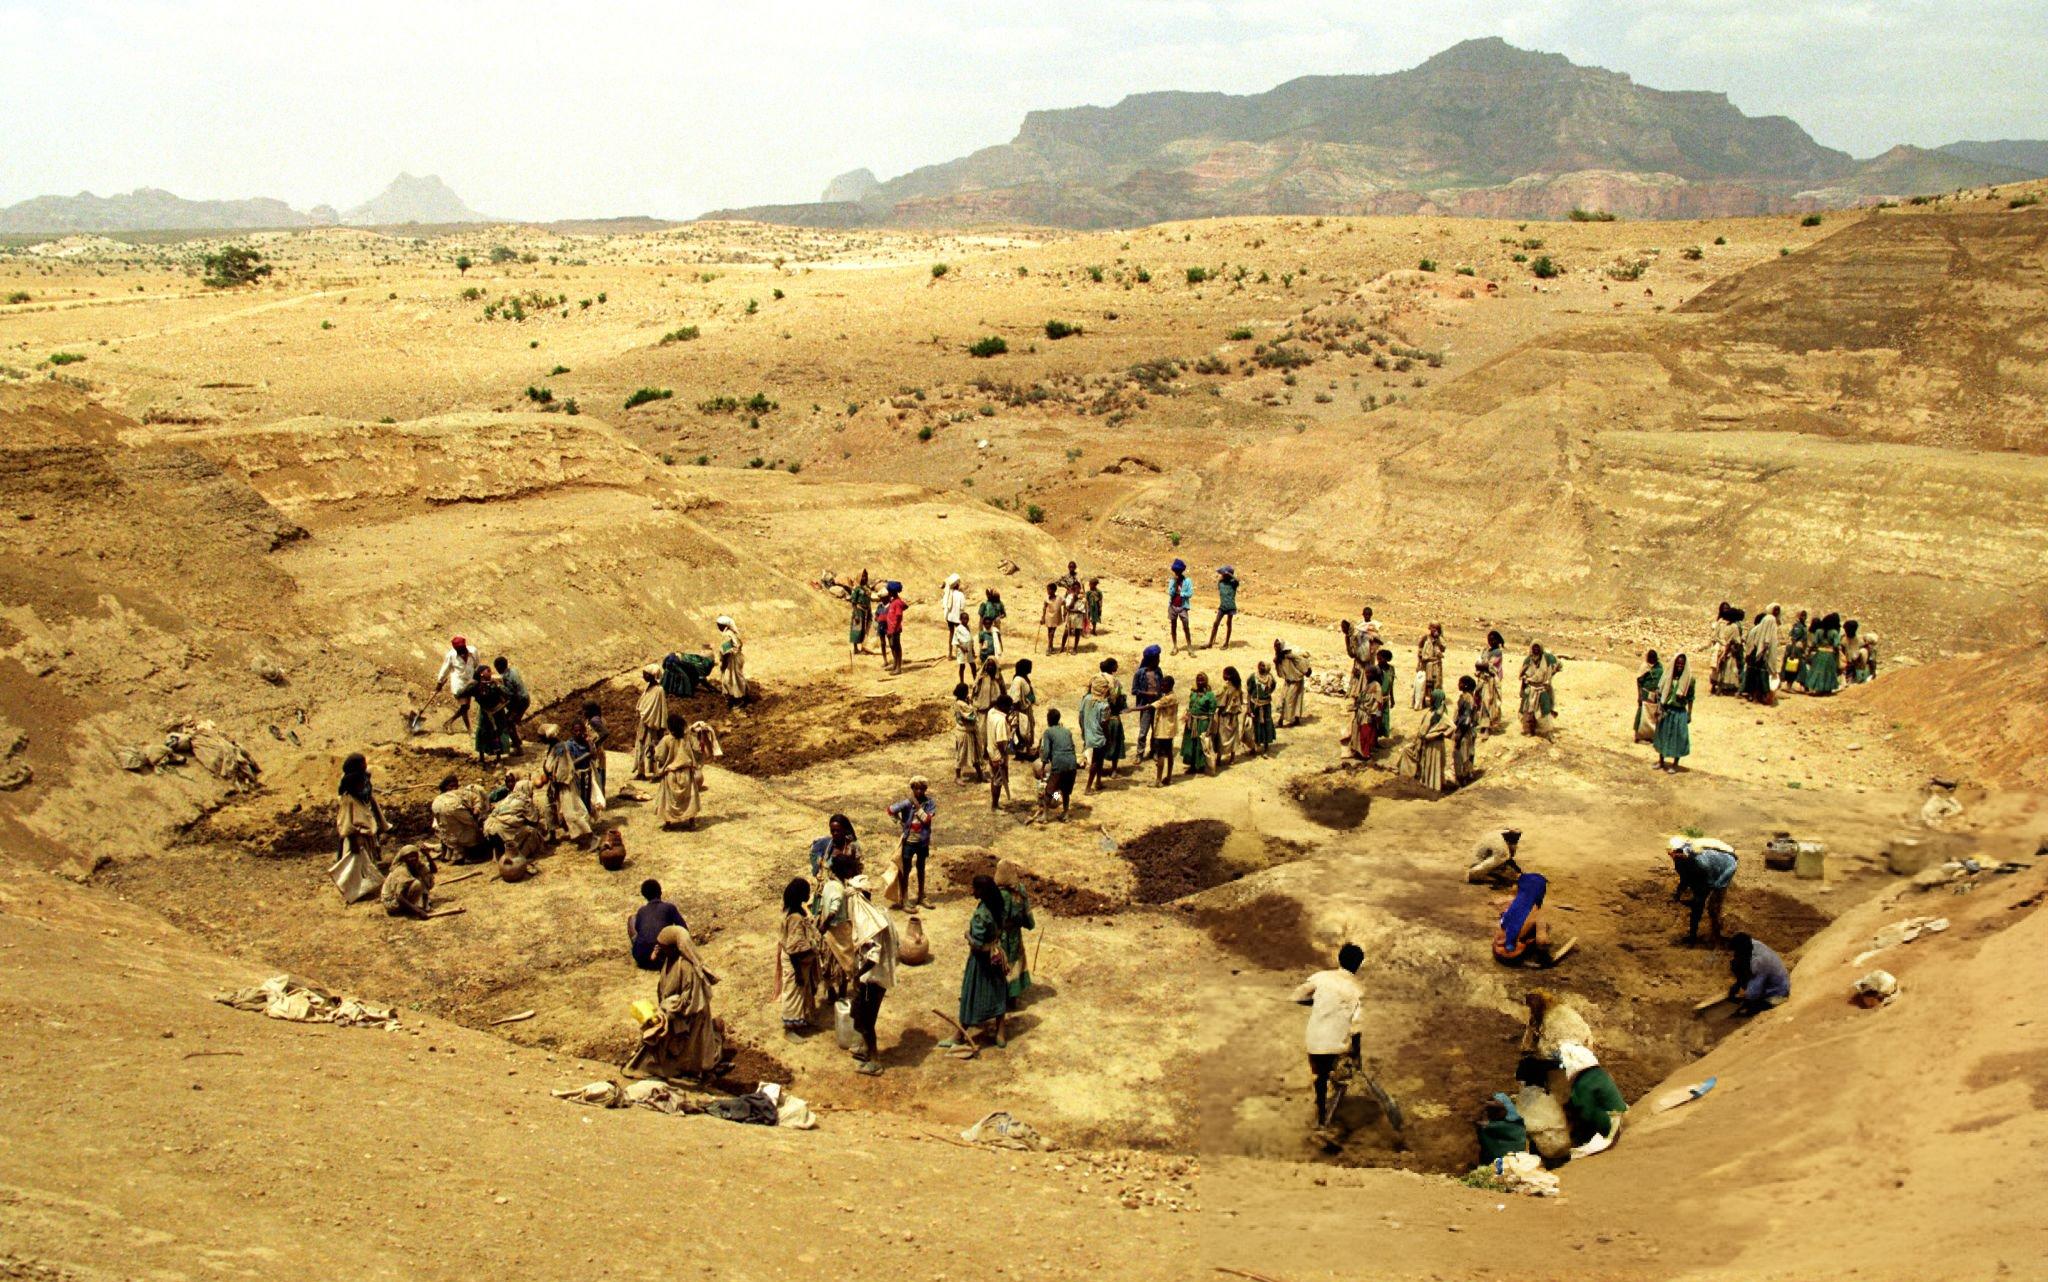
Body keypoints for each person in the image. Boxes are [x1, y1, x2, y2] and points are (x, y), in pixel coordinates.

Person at [624, 923, 726, 1081]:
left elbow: (690, 1002)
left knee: (695, 1055)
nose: (659, 949)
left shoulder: (686, 967)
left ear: (674, 947)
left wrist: (669, 1007)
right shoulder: (669, 961)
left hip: (689, 1019)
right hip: (672, 1015)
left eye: (663, 947)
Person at [1290, 942, 1365, 1124]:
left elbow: (1297, 996)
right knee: (1343, 1077)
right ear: (1358, 965)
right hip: (1336, 1046)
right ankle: (1329, 1116)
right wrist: (1356, 1054)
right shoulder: (1357, 989)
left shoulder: (1321, 977)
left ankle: (1321, 1110)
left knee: (1320, 1076)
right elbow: (1356, 1026)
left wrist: (1318, 1003)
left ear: (1339, 959)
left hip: (1314, 1042)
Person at [943, 875, 1010, 1049]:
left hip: (981, 961)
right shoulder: (999, 905)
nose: (973, 891)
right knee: (998, 991)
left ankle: (960, 1034)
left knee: (970, 994)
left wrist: (968, 936)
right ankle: (1000, 1032)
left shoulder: (982, 914)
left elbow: (978, 945)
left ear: (983, 892)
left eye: (975, 889)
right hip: (996, 956)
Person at [844, 872, 899, 1074]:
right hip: (877, 977)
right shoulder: (881, 913)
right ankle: (866, 1049)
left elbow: (872, 957)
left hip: (872, 979)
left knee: (866, 1020)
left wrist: (857, 976)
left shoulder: (869, 923)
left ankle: (874, 1061)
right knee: (861, 1015)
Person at [330, 753, 387, 904]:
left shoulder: (362, 791)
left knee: (367, 863)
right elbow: (346, 823)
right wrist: (354, 841)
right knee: (356, 867)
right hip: (356, 838)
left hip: (366, 835)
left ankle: (366, 887)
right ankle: (354, 890)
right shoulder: (349, 800)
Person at [1559, 1042, 1627, 1158]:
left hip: (1611, 1124)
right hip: (1621, 1115)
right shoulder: (1599, 1073)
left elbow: (1586, 1113)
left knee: (1582, 1113)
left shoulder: (1583, 1083)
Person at [653, 716, 720, 829]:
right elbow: (699, 750)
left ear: (670, 727)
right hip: (686, 773)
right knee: (689, 799)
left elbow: (659, 756)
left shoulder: (666, 740)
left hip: (671, 774)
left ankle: (668, 823)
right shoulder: (688, 738)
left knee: (670, 799)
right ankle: (691, 822)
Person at [1494, 872, 1571, 968]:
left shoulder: (1506, 924)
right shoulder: (1523, 927)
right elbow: (1538, 917)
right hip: (1533, 884)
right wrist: (1541, 934)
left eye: (1500, 945)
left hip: (1529, 885)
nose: (1502, 943)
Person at [1669, 838, 1737, 946]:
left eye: (1678, 853)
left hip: (1726, 867)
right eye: (1673, 854)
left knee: (1712, 907)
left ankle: (1716, 936)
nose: (1674, 856)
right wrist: (1678, 894)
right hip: (1707, 872)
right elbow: (1685, 879)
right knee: (1697, 907)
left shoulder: (1700, 863)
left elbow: (1709, 883)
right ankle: (1693, 937)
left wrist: (1697, 899)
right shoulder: (1680, 863)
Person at [537, 723, 594, 845]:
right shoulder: (553, 747)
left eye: (541, 737)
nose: (540, 740)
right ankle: (552, 834)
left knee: (572, 812)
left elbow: (563, 769)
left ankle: (591, 837)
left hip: (563, 785)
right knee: (548, 808)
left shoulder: (560, 748)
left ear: (548, 737)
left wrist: (555, 783)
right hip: (555, 784)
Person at [777, 877, 821, 1036]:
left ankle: (802, 1021)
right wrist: (798, 974)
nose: (809, 894)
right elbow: (794, 948)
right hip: (796, 962)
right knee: (793, 993)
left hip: (801, 961)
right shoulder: (795, 918)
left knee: (803, 992)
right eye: (806, 892)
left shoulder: (795, 910)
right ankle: (790, 1029)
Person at [484, 775, 546, 879]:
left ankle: (498, 855)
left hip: (490, 828)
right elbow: (534, 820)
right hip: (501, 830)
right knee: (534, 832)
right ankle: (519, 857)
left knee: (508, 828)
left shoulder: (508, 797)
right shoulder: (525, 799)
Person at [886, 778, 936, 905]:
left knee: (921, 867)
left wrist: (916, 804)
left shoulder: (930, 803)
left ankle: (921, 896)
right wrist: (901, 823)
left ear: (925, 789)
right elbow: (890, 810)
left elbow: (926, 820)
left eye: (921, 788)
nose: (919, 791)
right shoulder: (906, 803)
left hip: (923, 840)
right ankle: (905, 898)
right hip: (909, 840)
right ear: (912, 789)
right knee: (906, 869)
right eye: (916, 788)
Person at [995, 858, 1037, 1005]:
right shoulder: (1020, 890)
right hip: (1014, 935)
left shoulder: (998, 893)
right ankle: (1012, 995)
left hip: (1000, 936)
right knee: (1014, 962)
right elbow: (1027, 912)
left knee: (1000, 963)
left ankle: (1000, 995)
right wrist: (1029, 924)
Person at [429, 773, 492, 864]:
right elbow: (474, 813)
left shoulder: (438, 798)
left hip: (440, 814)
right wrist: (476, 818)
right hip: (452, 808)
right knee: (473, 831)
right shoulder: (466, 793)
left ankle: (450, 855)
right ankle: (471, 856)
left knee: (450, 833)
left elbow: (437, 824)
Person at [628, 878, 687, 970]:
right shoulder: (669, 907)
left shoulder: (641, 911)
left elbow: (638, 930)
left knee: (632, 919)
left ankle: (644, 949)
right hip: (664, 957)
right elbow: (684, 929)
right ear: (660, 892)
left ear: (644, 896)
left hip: (641, 958)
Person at [1728, 933, 1791, 1013]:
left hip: (1778, 991)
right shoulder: (1751, 944)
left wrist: (1744, 998)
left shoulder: (1760, 961)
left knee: (1749, 1009)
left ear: (1743, 950)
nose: (1735, 954)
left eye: (1737, 951)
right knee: (1737, 964)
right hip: (1766, 979)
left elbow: (1753, 992)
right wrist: (1738, 984)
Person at [1654, 654, 1695, 771]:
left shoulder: (1689, 680)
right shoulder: (1668, 676)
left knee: (1677, 737)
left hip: (1679, 711)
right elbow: (1661, 692)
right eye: (1678, 663)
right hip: (1666, 709)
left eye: (1682, 664)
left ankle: (1675, 764)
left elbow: (1691, 698)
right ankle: (1661, 761)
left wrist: (1690, 713)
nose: (1680, 666)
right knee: (1663, 735)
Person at [1037, 708, 1079, 821]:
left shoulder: (1048, 732)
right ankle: (1065, 813)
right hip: (1071, 764)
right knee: (1064, 791)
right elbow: (1073, 747)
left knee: (1049, 790)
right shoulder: (1067, 731)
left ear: (1048, 720)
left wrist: (1042, 766)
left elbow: (1045, 752)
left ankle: (1045, 815)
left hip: (1059, 764)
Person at [1407, 687, 1452, 792]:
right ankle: (1427, 785)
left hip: (1434, 745)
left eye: (1431, 697)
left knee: (1433, 765)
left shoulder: (1440, 714)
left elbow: (1452, 727)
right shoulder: (1431, 711)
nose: (1429, 699)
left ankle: (1433, 788)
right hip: (1427, 743)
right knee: (1427, 764)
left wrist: (1440, 734)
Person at [470, 667, 515, 763]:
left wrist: (497, 685)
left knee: (497, 733)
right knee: (482, 733)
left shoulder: (496, 683)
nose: (491, 673)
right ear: (481, 674)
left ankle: (498, 758)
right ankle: (481, 757)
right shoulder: (477, 685)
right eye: (488, 671)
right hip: (485, 713)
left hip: (497, 712)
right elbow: (466, 692)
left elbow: (508, 694)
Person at [434, 636, 479, 730]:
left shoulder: (473, 651)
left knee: (466, 706)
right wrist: (439, 682)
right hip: (459, 684)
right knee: (465, 707)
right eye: (458, 650)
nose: (461, 653)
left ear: (465, 646)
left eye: (462, 650)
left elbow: (476, 665)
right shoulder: (451, 655)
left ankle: (452, 724)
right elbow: (444, 669)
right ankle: (464, 727)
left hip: (470, 682)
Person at [379, 844, 435, 918]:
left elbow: (433, 870)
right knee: (417, 883)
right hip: (391, 903)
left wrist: (427, 855)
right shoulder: (401, 870)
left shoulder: (416, 864)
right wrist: (418, 911)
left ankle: (418, 904)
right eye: (410, 857)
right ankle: (410, 909)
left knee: (425, 877)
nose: (413, 858)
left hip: (399, 898)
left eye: (415, 855)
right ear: (404, 858)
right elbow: (399, 897)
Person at [1518, 642, 1560, 736]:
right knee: (1528, 710)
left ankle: (1548, 732)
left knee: (1545, 709)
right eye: (1534, 647)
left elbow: (1558, 665)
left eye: (1538, 647)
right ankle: (1529, 730)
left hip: (1542, 688)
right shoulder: (1528, 660)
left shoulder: (1547, 658)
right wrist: (1523, 689)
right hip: (1530, 688)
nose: (1536, 649)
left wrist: (1551, 673)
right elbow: (1522, 675)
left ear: (1541, 648)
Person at [633, 665, 667, 780]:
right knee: (641, 747)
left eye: (646, 674)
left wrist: (660, 725)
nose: (643, 676)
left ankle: (656, 773)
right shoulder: (648, 688)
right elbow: (643, 704)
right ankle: (641, 772)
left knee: (653, 748)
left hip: (653, 724)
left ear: (652, 675)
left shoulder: (659, 690)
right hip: (644, 723)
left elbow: (660, 709)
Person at [1181, 671, 1218, 776]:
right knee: (1191, 743)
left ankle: (1201, 766)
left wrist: (1210, 727)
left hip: (1203, 723)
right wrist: (1187, 718)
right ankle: (1192, 766)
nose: (1199, 682)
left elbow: (1211, 714)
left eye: (1202, 680)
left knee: (1201, 744)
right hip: (1192, 722)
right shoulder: (1193, 693)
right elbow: (1190, 707)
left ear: (1206, 681)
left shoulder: (1210, 696)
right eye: (1198, 680)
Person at [1080, 675, 1112, 793]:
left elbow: (1081, 715)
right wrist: (1108, 738)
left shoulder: (1086, 698)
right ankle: (1089, 787)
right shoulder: (1104, 705)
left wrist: (1084, 730)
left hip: (1089, 733)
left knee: (1098, 759)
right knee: (1096, 761)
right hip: (1099, 736)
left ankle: (1098, 781)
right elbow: (1104, 724)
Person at [1347, 659, 1383, 760]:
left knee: (1365, 735)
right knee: (1358, 733)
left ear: (1374, 674)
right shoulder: (1368, 685)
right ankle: (1359, 751)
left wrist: (1378, 716)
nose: (1367, 675)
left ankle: (1365, 754)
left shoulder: (1377, 686)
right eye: (1366, 673)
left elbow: (1379, 703)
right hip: (1361, 713)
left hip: (1368, 714)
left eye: (1369, 673)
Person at [1476, 1096, 1529, 1164]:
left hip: (1513, 1152)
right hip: (1510, 1153)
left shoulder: (1514, 1124)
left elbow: (1511, 1127)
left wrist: (1488, 1125)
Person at [985, 692, 1015, 811]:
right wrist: (1003, 755)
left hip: (991, 751)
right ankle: (995, 805)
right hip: (998, 754)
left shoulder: (991, 712)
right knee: (998, 781)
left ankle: (995, 803)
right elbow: (1001, 741)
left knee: (995, 779)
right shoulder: (1001, 720)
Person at [577, 698, 608, 813]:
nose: (583, 712)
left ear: (590, 710)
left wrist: (595, 744)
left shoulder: (594, 720)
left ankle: (599, 802)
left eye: (584, 710)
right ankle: (600, 799)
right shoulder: (596, 718)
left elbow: (605, 733)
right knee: (598, 775)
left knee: (597, 775)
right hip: (598, 752)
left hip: (597, 753)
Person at [493, 656, 531, 747]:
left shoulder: (506, 678)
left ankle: (517, 746)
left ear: (498, 667)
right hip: (525, 699)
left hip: (519, 702)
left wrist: (499, 686)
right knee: (511, 721)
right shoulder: (513, 671)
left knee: (508, 723)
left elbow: (510, 693)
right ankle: (517, 740)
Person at [1098, 657, 1127, 776]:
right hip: (1113, 717)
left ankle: (1099, 770)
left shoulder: (1097, 679)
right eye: (1116, 665)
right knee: (1116, 742)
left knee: (1100, 745)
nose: (1118, 667)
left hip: (1099, 716)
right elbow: (1120, 702)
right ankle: (1114, 770)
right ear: (1111, 667)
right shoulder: (1115, 682)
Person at [951, 682, 985, 784]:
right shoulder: (961, 704)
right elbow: (972, 715)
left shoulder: (962, 701)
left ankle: (980, 775)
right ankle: (957, 777)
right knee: (961, 754)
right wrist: (972, 704)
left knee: (975, 754)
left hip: (969, 731)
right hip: (964, 732)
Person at [1742, 610, 1778, 706]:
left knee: (1753, 675)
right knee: (1759, 676)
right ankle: (1758, 696)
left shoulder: (1757, 630)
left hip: (1753, 655)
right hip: (1757, 656)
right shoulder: (1760, 631)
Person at [1801, 612, 1843, 694]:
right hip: (1830, 655)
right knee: (1828, 672)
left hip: (1819, 654)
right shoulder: (1834, 632)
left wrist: (1809, 652)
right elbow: (1836, 645)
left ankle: (1816, 688)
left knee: (1817, 671)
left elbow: (1814, 643)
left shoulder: (1818, 631)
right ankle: (1827, 689)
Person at [1149, 675, 1179, 786]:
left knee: (1161, 754)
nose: (1162, 687)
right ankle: (1169, 777)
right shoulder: (1173, 696)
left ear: (1170, 686)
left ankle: (1158, 780)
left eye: (1164, 685)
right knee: (1169, 753)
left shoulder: (1167, 698)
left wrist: (1133, 709)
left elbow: (1152, 706)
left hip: (1163, 730)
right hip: (1170, 729)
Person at [1214, 666, 1246, 767]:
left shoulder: (1226, 688)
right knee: (1233, 736)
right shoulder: (1238, 687)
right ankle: (1232, 757)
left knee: (1221, 737)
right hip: (1234, 715)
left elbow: (1221, 702)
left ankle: (1218, 758)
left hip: (1225, 715)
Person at [1131, 645, 1164, 746]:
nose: (1159, 660)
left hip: (1157, 705)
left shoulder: (1158, 671)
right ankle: (1140, 753)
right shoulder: (1140, 673)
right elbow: (1134, 691)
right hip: (1145, 706)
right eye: (1157, 658)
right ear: (1151, 660)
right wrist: (1148, 693)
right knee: (1143, 732)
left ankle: (1154, 751)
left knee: (1157, 731)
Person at [1710, 604, 1745, 696]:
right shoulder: (1734, 627)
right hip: (1728, 650)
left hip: (1722, 649)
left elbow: (1717, 637)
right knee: (1727, 670)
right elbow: (1736, 641)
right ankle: (1724, 689)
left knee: (1720, 669)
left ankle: (1717, 688)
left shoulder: (1726, 625)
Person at [1274, 640, 1310, 728]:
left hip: (1296, 680)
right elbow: (1280, 672)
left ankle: (1289, 720)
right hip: (1288, 681)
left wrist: (1305, 671)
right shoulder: (1280, 657)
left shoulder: (1290, 656)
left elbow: (1301, 663)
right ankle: (1282, 720)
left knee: (1290, 700)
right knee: (1284, 699)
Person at [1452, 675, 1480, 785]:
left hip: (1465, 731)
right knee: (1469, 753)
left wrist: (1459, 734)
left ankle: (1463, 778)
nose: (1458, 684)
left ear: (1465, 685)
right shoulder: (1469, 697)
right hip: (1470, 731)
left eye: (1460, 682)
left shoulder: (1466, 699)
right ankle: (1468, 774)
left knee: (1462, 754)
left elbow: (1466, 718)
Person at [1007, 658, 1038, 758]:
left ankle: (1026, 750)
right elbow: (1015, 698)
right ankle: (1020, 752)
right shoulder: (1018, 680)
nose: (1031, 668)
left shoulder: (1023, 678)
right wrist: (1016, 713)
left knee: (1028, 729)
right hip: (1021, 710)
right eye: (1029, 667)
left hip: (1026, 709)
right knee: (1022, 730)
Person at [714, 616, 747, 707]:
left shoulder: (726, 635)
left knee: (730, 680)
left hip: (731, 660)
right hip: (737, 658)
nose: (718, 627)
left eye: (719, 625)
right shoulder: (732, 633)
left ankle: (737, 700)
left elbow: (726, 652)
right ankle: (740, 697)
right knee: (737, 678)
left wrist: (723, 664)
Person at [876, 581, 907, 673]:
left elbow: (898, 617)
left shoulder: (897, 603)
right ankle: (895, 665)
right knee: (893, 646)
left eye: (888, 591)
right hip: (892, 629)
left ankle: (898, 668)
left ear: (892, 592)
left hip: (895, 629)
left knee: (897, 648)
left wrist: (893, 629)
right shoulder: (894, 601)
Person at [1247, 660, 1277, 754]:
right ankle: (1253, 747)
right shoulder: (1253, 677)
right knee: (1253, 726)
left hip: (1266, 705)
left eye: (1263, 666)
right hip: (1254, 704)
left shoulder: (1270, 678)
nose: (1260, 667)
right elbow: (1249, 692)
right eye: (1260, 665)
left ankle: (1266, 746)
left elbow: (1273, 686)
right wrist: (1248, 707)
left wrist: (1268, 693)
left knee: (1266, 724)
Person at [1634, 650, 1664, 743]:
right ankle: (1638, 735)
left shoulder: (1659, 668)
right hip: (1645, 693)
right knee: (1642, 712)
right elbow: (1639, 681)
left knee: (1653, 715)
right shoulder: (1644, 667)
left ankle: (1651, 735)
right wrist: (1639, 695)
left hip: (1655, 695)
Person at [1166, 559, 1195, 654]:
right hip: (1173, 606)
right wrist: (1174, 584)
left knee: (1186, 627)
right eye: (1175, 571)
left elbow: (1190, 593)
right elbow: (1170, 592)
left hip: (1183, 607)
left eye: (1178, 571)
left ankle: (1189, 646)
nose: (1176, 573)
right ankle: (1175, 646)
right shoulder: (1172, 581)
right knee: (1173, 626)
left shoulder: (1187, 581)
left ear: (1181, 571)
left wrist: (1181, 593)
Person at [1207, 566, 1239, 649]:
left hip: (1230, 606)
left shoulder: (1233, 584)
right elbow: (1220, 582)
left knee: (1228, 623)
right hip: (1222, 606)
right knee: (1216, 623)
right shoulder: (1221, 583)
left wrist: (1229, 575)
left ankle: (1226, 643)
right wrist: (1225, 575)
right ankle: (1210, 642)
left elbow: (1237, 581)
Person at [1417, 623, 1446, 709]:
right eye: (1432, 627)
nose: (1434, 630)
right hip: (1426, 663)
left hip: (1436, 663)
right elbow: (1420, 650)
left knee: (1436, 683)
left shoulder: (1440, 639)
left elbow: (1443, 649)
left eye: (1436, 628)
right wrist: (1419, 664)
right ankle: (1423, 702)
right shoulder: (1425, 638)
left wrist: (1438, 639)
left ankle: (1435, 702)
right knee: (1424, 683)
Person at [848, 569, 874, 657]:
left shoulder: (867, 588)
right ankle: (855, 649)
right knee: (856, 629)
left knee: (864, 629)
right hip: (858, 611)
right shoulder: (857, 589)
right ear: (859, 577)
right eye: (862, 576)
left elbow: (869, 601)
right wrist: (855, 614)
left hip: (866, 611)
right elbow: (853, 602)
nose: (864, 578)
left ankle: (862, 647)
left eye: (865, 576)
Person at [940, 573, 967, 655]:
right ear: (957, 585)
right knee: (962, 634)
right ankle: (966, 652)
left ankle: (950, 654)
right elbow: (962, 607)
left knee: (951, 634)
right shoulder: (960, 595)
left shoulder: (948, 594)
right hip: (957, 618)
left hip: (949, 618)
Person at [1059, 582, 1086, 654]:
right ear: (1073, 589)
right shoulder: (1069, 596)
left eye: (1078, 588)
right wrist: (1074, 599)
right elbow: (1068, 607)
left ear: (1080, 588)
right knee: (1066, 631)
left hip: (1078, 617)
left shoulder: (1083, 598)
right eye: (1075, 588)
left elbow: (1082, 610)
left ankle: (1075, 648)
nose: (1077, 589)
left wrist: (1072, 609)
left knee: (1077, 632)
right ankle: (1062, 647)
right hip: (1071, 616)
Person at [1038, 582, 1064, 655]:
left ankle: (1049, 647)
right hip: (1048, 617)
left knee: (1052, 632)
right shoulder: (1046, 599)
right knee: (1049, 632)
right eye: (1047, 590)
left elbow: (1065, 604)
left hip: (1055, 617)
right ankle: (1050, 647)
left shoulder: (1059, 598)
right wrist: (1042, 618)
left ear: (1054, 590)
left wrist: (1065, 612)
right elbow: (1044, 608)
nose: (1048, 591)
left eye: (1049, 590)